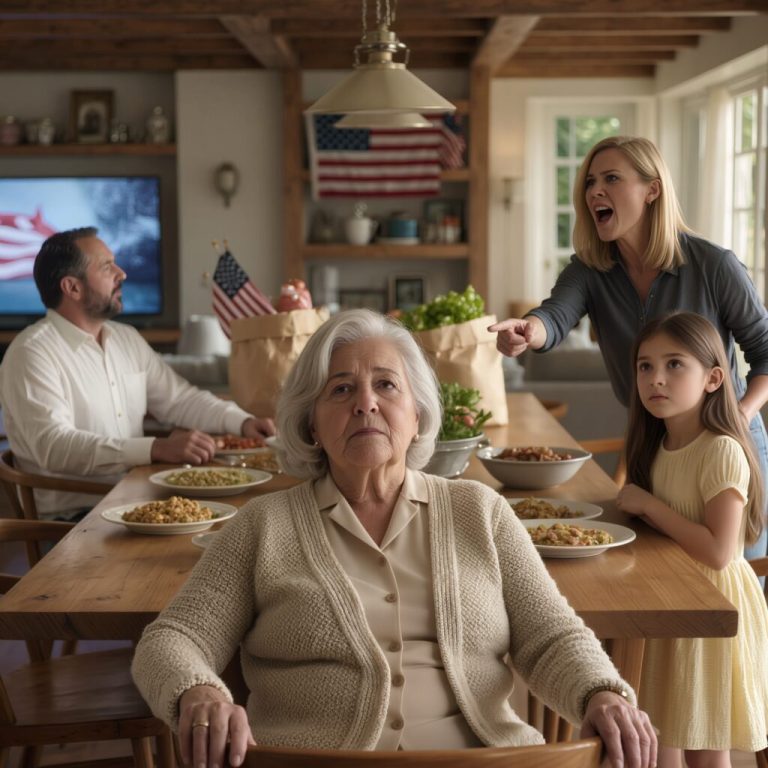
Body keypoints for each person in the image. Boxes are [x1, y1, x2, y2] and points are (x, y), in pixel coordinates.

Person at [132, 308, 657, 768]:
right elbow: (170, 641)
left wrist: (601, 694)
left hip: (480, 761)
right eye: (341, 389)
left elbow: (553, 638)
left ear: (417, 414)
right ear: (311, 423)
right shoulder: (262, 525)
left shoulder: (481, 511)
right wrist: (198, 691)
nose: (366, 404)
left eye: (386, 385)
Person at [489, 135, 768, 561]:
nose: (594, 191)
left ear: (652, 189)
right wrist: (528, 330)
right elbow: (555, 316)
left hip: (728, 444)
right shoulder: (589, 269)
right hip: (655, 443)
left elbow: (764, 350)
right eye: (590, 182)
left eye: (612, 178)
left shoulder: (714, 265)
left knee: (736, 581)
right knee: (660, 571)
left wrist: (737, 417)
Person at [0, 227, 274, 520]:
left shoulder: (126, 338)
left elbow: (179, 399)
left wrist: (243, 422)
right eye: (107, 267)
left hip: (135, 501)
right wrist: (156, 448)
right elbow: (54, 446)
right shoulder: (31, 353)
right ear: (72, 288)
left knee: (243, 519)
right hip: (73, 520)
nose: (122, 274)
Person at [616, 311, 768, 767]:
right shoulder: (658, 445)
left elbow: (721, 553)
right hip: (668, 601)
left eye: (674, 364)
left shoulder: (720, 449)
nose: (656, 378)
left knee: (705, 745)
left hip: (711, 611)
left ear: (714, 378)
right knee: (661, 732)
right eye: (645, 366)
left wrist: (648, 505)